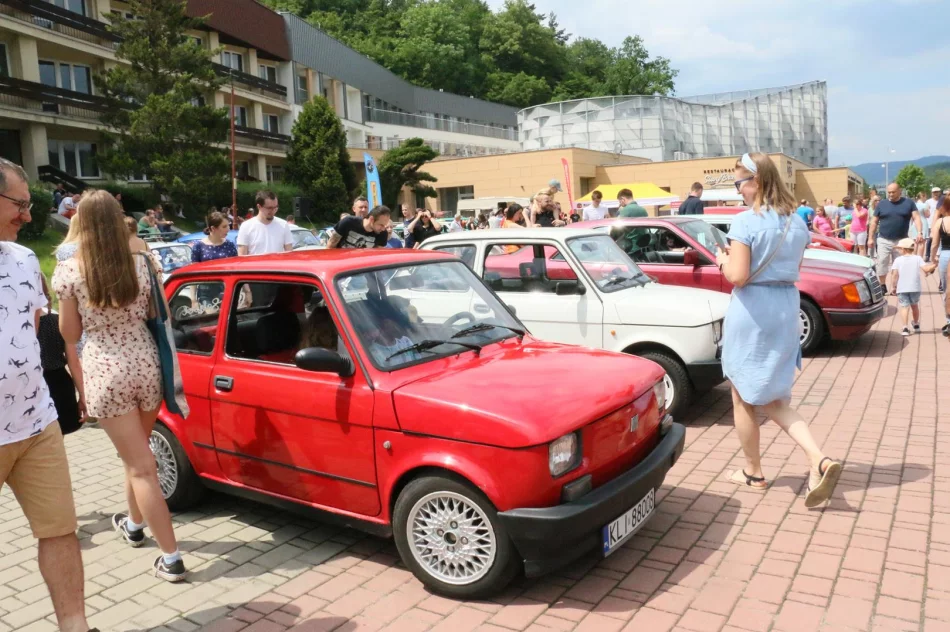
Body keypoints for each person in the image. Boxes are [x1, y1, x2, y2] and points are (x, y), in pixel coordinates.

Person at [52, 190, 186, 583]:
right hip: (146, 363)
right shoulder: (141, 263)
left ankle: (173, 558)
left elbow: (70, 333)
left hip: (105, 369)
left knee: (141, 467)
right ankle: (132, 523)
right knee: (138, 457)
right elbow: (150, 314)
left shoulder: (70, 270)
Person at [0, 159, 97, 632]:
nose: (27, 214)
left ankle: (74, 627)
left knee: (60, 531)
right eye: (19, 204)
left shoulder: (23, 260)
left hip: (38, 425)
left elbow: (37, 332)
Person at [714, 152, 841, 506]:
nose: (738, 190)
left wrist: (723, 261)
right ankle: (818, 459)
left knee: (742, 392)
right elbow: (794, 268)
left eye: (740, 182)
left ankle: (754, 471)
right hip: (786, 305)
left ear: (755, 182)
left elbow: (738, 276)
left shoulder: (745, 222)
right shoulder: (796, 222)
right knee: (772, 396)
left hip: (753, 309)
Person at [38, 275, 85, 436]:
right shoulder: (57, 319)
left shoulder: (18, 324)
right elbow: (74, 362)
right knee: (57, 441)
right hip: (60, 384)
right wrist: (84, 396)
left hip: (34, 386)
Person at [868, 183, 923, 293]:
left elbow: (916, 217)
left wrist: (920, 232)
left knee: (899, 264)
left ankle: (895, 286)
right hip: (884, 239)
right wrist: (870, 238)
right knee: (882, 262)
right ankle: (883, 285)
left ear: (900, 191)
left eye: (893, 192)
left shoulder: (908, 203)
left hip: (901, 241)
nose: (891, 194)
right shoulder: (882, 204)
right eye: (889, 192)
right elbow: (874, 222)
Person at [890, 237, 936, 336]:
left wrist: (894, 286)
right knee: (914, 306)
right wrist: (935, 265)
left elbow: (894, 275)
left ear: (903, 249)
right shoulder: (918, 258)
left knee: (904, 307)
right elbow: (926, 269)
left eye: (899, 249)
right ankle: (916, 324)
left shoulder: (898, 260)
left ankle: (905, 327)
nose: (898, 250)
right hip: (915, 287)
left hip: (902, 288)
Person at [237, 190, 293, 256]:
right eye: (269, 208)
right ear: (259, 207)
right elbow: (242, 256)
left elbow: (289, 254)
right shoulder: (246, 226)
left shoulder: (283, 225)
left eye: (275, 207)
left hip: (278, 266)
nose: (273, 211)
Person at [930, 196, 950, 306]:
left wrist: (933, 258)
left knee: (947, 289)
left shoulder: (940, 222)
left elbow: (934, 244)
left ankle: (949, 318)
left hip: (945, 255)